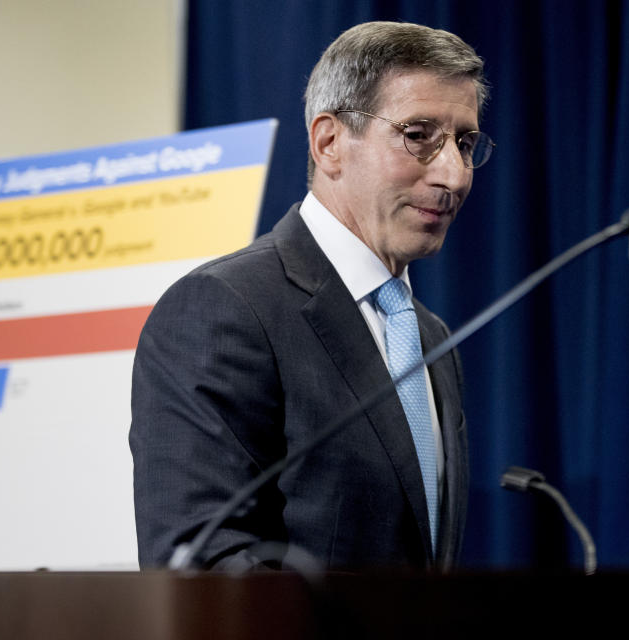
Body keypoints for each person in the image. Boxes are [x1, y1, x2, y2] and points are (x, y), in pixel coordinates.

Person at [129, 21, 493, 570]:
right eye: (419, 136)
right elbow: (204, 566)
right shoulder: (223, 308)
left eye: (465, 143)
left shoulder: (430, 336)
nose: (454, 175)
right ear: (329, 143)